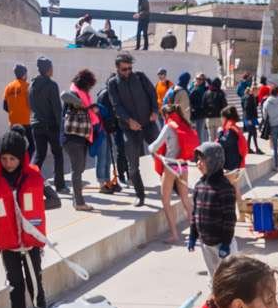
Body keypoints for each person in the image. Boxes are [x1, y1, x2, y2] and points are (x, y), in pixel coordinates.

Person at [0, 132, 50, 308]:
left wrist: (34, 207)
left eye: (13, 159)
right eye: (4, 159)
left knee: (34, 283)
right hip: (9, 247)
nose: (8, 163)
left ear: (21, 158)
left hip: (31, 244)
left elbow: (54, 200)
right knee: (15, 286)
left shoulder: (33, 177)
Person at [105, 53, 160, 207]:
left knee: (161, 154)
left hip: (148, 124)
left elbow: (152, 93)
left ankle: (172, 184)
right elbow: (117, 106)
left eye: (129, 68)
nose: (128, 72)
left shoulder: (140, 77)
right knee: (133, 164)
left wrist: (155, 111)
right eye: (124, 69)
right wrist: (129, 121)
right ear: (117, 68)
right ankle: (140, 195)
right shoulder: (112, 84)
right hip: (129, 129)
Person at [148, 103, 199, 244]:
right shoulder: (184, 124)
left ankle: (175, 235)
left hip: (171, 166)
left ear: (165, 115)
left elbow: (154, 147)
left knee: (165, 201)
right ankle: (196, 231)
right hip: (183, 166)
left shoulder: (169, 126)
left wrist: (150, 147)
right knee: (185, 199)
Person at [187, 143, 238, 274]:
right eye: (197, 160)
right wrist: (193, 236)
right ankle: (215, 294)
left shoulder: (225, 188)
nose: (198, 163)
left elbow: (229, 219)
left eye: (202, 160)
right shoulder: (199, 185)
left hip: (222, 243)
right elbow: (195, 214)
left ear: (214, 162)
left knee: (229, 278)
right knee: (214, 276)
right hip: (206, 243)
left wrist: (226, 243)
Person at [62, 69, 101, 211]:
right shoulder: (74, 93)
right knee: (77, 170)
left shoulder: (83, 95)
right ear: (85, 84)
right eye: (89, 86)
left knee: (79, 168)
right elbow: (63, 95)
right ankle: (79, 202)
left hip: (80, 137)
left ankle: (76, 200)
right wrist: (80, 103)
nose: (90, 89)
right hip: (72, 138)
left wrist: (90, 108)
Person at [29, 57, 66, 191]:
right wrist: (62, 128)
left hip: (36, 124)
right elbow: (57, 109)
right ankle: (60, 185)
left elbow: (30, 105)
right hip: (51, 126)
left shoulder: (31, 85)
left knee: (39, 155)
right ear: (49, 69)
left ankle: (29, 182)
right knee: (58, 154)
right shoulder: (52, 85)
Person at [216, 106, 249, 196]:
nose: (221, 120)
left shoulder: (230, 129)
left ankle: (233, 209)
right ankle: (240, 208)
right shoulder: (233, 127)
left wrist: (219, 134)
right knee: (235, 189)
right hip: (235, 162)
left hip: (231, 165)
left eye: (221, 117)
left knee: (231, 191)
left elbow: (223, 143)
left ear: (225, 117)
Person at [3, 63, 34, 152]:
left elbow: (5, 106)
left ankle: (17, 162)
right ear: (24, 74)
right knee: (32, 145)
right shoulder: (28, 87)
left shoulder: (8, 87)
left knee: (15, 146)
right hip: (26, 121)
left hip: (13, 122)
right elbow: (31, 104)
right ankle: (25, 161)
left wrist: (14, 111)